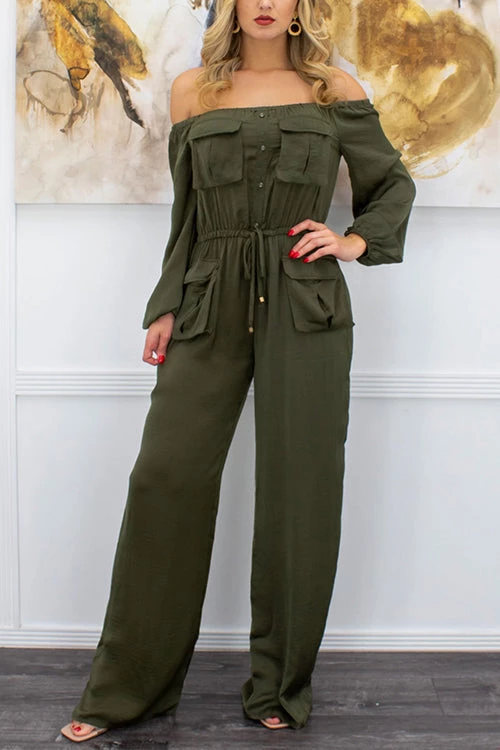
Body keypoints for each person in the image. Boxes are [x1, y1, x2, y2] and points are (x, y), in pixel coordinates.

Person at [60, 0, 416, 742]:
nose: (264, 4)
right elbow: (187, 215)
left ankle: (279, 687)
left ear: (299, 9)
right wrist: (166, 304)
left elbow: (391, 186)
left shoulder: (334, 90)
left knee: (300, 494)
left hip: (304, 301)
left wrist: (351, 242)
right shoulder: (193, 90)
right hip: (208, 296)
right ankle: (127, 692)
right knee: (164, 479)